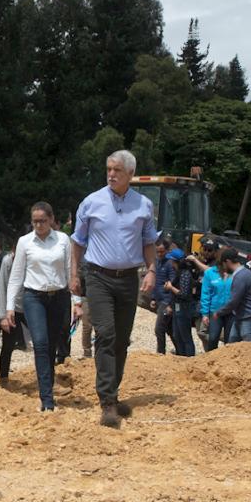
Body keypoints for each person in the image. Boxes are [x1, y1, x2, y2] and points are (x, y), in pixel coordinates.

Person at [70, 150, 158, 428]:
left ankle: (113, 392)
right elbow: (78, 241)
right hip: (98, 277)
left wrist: (152, 270)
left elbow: (148, 242)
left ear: (130, 174)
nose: (111, 174)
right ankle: (107, 402)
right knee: (105, 334)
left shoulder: (144, 205)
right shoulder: (91, 202)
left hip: (129, 278)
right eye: (108, 169)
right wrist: (74, 274)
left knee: (122, 339)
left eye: (117, 170)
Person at [5, 202, 76, 412]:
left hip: (59, 297)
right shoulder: (24, 242)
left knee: (53, 344)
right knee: (41, 343)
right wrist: (10, 306)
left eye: (43, 221)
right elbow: (16, 276)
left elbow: (71, 272)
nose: (39, 225)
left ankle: (48, 387)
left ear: (52, 219)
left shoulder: (63, 240)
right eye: (35, 221)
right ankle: (47, 399)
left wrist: (77, 301)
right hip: (34, 297)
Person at [214, 247, 251, 342]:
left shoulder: (241, 276)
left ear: (227, 262)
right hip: (241, 318)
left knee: (249, 351)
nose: (223, 267)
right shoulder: (243, 274)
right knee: (231, 348)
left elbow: (234, 301)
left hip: (250, 319)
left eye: (223, 264)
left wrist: (219, 312)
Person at [0, 243, 27, 384]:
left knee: (42, 343)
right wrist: (3, 315)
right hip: (12, 308)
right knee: (8, 344)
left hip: (31, 307)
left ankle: (46, 377)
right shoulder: (8, 261)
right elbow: (2, 287)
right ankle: (3, 377)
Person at [163, 249, 195, 356]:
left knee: (185, 336)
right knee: (177, 335)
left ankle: (189, 358)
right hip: (177, 307)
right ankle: (181, 356)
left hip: (184, 308)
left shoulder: (185, 274)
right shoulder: (178, 273)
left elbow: (184, 294)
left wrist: (171, 287)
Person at [200, 255, 233, 351]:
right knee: (213, 338)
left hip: (231, 311)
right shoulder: (210, 273)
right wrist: (205, 313)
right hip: (215, 311)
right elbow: (205, 293)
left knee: (229, 340)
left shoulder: (234, 273)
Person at [151, 241, 177, 355]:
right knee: (169, 329)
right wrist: (152, 298)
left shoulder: (169, 264)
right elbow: (155, 281)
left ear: (166, 251)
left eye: (162, 252)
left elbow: (173, 283)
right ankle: (181, 350)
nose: (160, 254)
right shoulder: (156, 262)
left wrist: (171, 304)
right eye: (157, 252)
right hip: (159, 299)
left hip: (167, 301)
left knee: (159, 328)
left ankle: (160, 352)